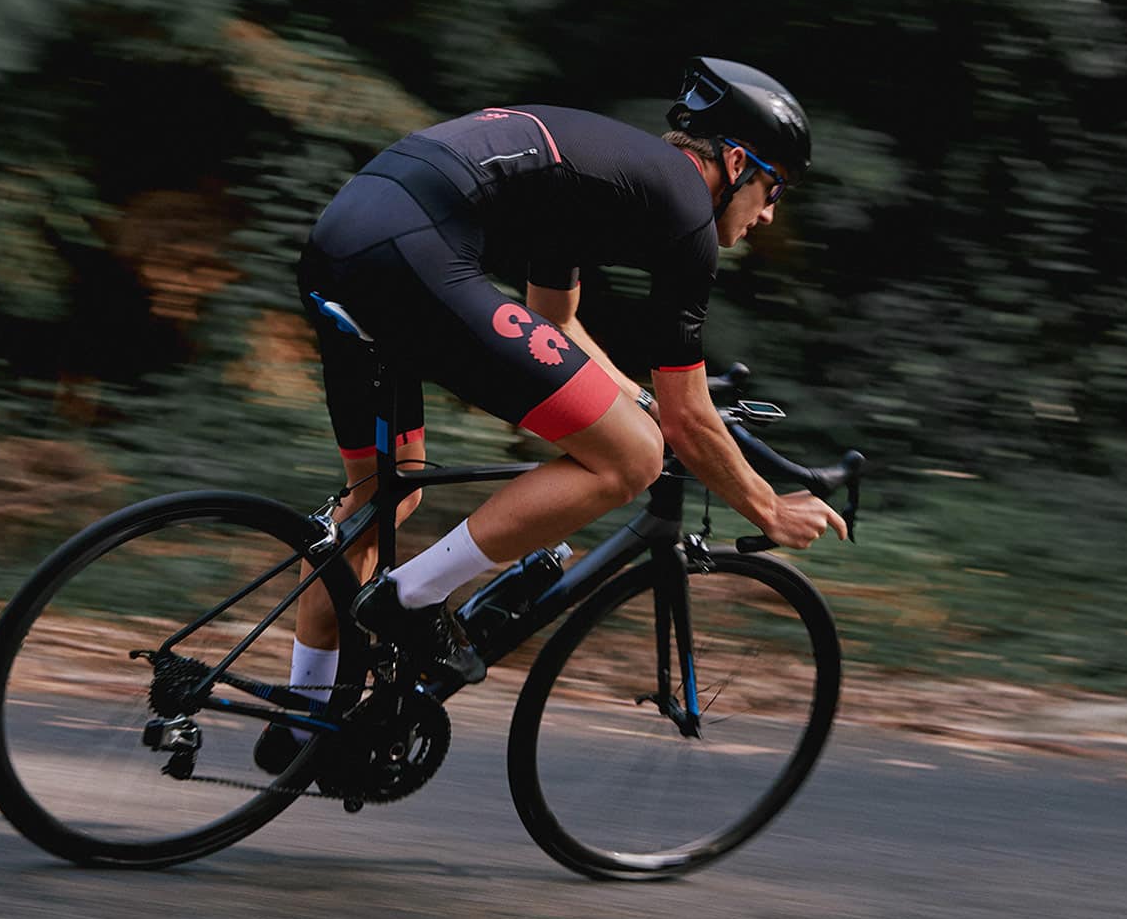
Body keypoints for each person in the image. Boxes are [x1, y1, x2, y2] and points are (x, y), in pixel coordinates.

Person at [259, 58, 848, 770]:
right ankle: (411, 599)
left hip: (344, 238)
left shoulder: (610, 177)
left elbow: (554, 322)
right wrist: (767, 510)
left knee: (385, 495)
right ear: (733, 160)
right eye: (773, 187)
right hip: (413, 251)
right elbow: (688, 422)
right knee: (635, 458)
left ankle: (301, 729)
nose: (771, 213)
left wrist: (637, 400)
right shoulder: (685, 214)